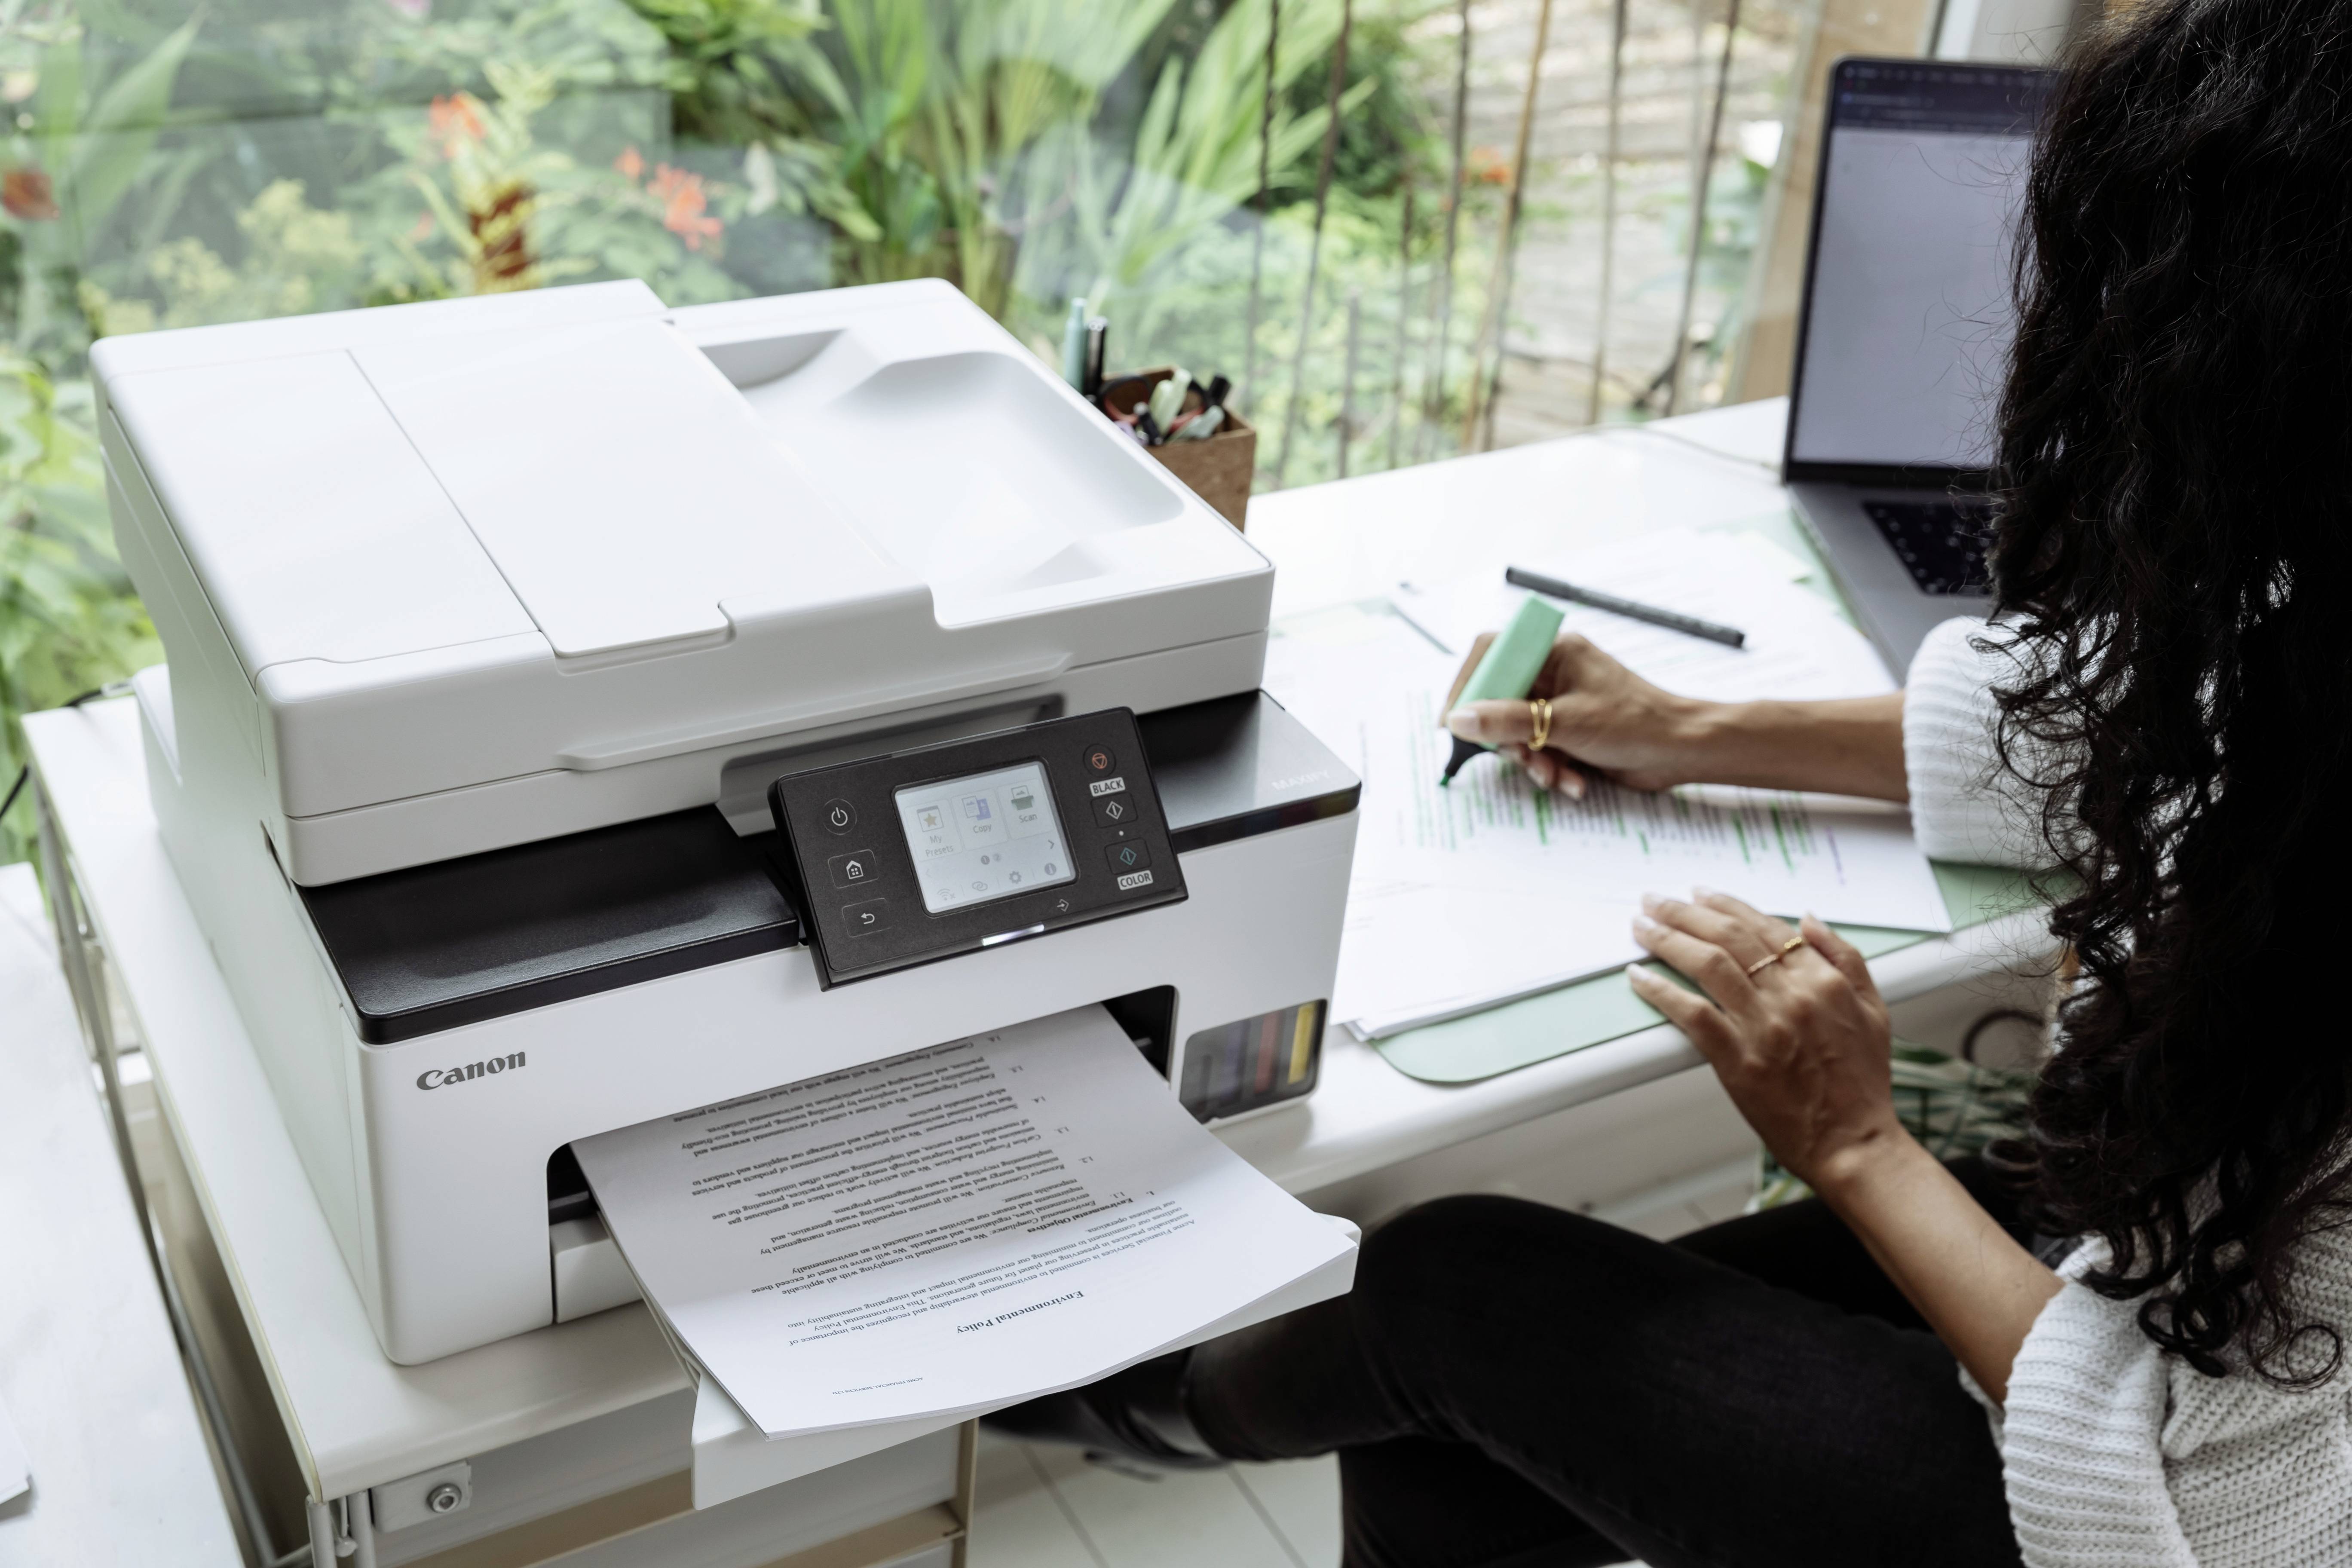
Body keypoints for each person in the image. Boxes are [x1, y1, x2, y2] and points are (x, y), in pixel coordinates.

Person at [993, 0, 2352, 1562]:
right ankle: (1164, 1399)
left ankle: (1132, 1403)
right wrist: (1694, 732)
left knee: (1443, 1291)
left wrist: (1852, 1143)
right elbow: (2190, 735)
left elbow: (2218, 1533)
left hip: (2140, 1506)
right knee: (1460, 1430)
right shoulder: (2313, 633)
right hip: (2167, 1290)